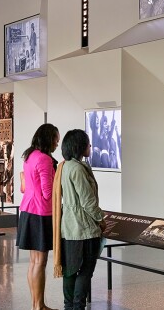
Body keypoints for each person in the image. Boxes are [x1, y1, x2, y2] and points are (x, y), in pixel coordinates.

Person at [53, 130, 105, 310]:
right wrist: (101, 219)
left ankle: (69, 306)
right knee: (85, 271)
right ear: (79, 146)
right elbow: (87, 201)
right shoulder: (77, 169)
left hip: (69, 228)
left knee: (69, 271)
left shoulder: (66, 166)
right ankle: (77, 307)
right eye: (87, 143)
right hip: (83, 229)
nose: (90, 146)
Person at [18, 123, 60, 310]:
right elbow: (47, 193)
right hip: (41, 213)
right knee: (40, 262)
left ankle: (36, 304)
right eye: (55, 140)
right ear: (48, 139)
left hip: (28, 210)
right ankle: (39, 306)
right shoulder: (44, 159)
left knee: (34, 261)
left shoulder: (29, 156)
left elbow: (25, 185)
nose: (57, 144)